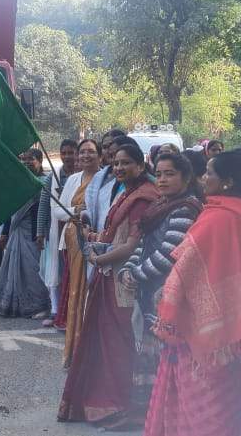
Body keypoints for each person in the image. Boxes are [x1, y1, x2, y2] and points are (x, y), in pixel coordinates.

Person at [143, 149, 241, 436]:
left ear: (226, 181)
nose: (204, 178)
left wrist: (165, 300)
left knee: (199, 410)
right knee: (228, 406)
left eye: (210, 172)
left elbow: (185, 271)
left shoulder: (216, 219)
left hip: (201, 337)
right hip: (231, 333)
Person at [58, 142, 160, 430]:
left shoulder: (144, 197)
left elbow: (131, 246)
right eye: (115, 163)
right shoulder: (125, 193)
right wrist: (92, 238)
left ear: (141, 166)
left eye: (126, 163)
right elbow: (113, 234)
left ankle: (122, 405)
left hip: (124, 282)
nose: (119, 168)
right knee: (105, 343)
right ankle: (103, 403)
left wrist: (99, 256)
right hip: (107, 273)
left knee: (121, 344)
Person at [117, 153, 204, 426]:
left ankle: (167, 418)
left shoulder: (186, 209)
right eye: (161, 173)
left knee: (166, 358)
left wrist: (138, 274)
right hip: (148, 291)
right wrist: (128, 269)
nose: (163, 179)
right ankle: (151, 417)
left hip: (168, 294)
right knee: (147, 355)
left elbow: (170, 254)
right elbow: (142, 245)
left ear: (186, 178)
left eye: (170, 174)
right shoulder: (159, 206)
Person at [52, 139, 100, 361]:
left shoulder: (106, 179)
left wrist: (86, 216)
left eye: (91, 151)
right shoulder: (73, 180)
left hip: (96, 241)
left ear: (99, 155)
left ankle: (91, 352)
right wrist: (76, 210)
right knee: (75, 292)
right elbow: (58, 212)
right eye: (83, 152)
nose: (86, 155)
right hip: (73, 241)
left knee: (92, 292)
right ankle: (74, 352)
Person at [0, 149, 51, 319]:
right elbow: (11, 210)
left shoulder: (44, 182)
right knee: (14, 269)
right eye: (23, 159)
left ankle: (41, 305)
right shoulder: (17, 182)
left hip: (36, 234)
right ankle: (15, 304)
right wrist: (3, 232)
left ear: (40, 161)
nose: (26, 162)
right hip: (16, 232)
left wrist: (41, 233)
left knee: (34, 271)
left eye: (30, 159)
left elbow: (44, 211)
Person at [36, 139, 78, 325]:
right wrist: (40, 232)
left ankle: (73, 311)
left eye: (71, 152)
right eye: (64, 153)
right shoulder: (51, 178)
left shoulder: (83, 176)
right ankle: (55, 310)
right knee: (54, 270)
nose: (68, 156)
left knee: (72, 269)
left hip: (76, 228)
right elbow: (44, 207)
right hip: (55, 229)